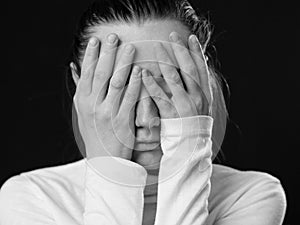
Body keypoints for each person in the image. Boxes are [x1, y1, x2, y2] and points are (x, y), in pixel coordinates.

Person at [0, 0, 287, 224]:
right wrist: (109, 166)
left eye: (171, 86)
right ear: (79, 84)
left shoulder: (251, 195)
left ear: (201, 79)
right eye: (119, 89)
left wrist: (189, 138)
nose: (147, 120)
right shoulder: (31, 198)